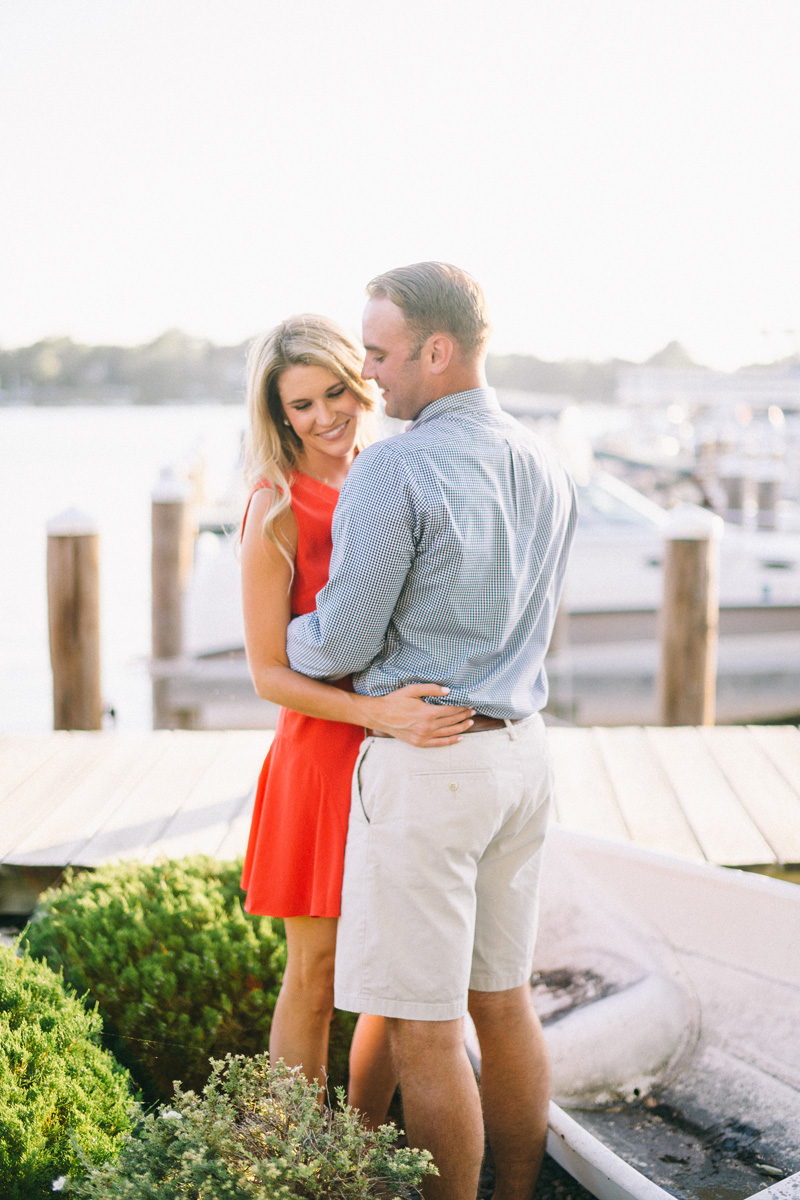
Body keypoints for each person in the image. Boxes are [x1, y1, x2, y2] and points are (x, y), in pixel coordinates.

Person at [286, 264, 578, 1200]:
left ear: (437, 352)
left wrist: (279, 626)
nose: (368, 377)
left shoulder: (396, 466)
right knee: (502, 1005)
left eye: (378, 353)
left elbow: (338, 642)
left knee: (421, 1027)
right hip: (524, 757)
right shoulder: (544, 461)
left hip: (430, 765)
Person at [238, 313, 473, 1127]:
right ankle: (294, 1156)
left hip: (398, 754)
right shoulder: (272, 504)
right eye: (301, 405)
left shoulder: (387, 473)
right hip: (320, 756)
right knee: (316, 973)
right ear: (279, 416)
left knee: (388, 974)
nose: (325, 416)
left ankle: (362, 1144)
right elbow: (269, 674)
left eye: (336, 391)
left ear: (362, 382)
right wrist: (375, 713)